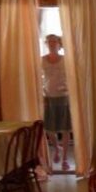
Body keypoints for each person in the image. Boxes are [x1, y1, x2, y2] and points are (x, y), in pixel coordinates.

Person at [41, 34, 71, 170]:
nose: (52, 44)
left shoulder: (66, 60)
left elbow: (72, 77)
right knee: (49, 128)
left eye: (54, 42)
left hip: (63, 96)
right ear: (46, 44)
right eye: (49, 42)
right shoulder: (42, 60)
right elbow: (39, 78)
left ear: (59, 44)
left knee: (65, 128)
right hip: (48, 97)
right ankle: (56, 148)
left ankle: (64, 158)